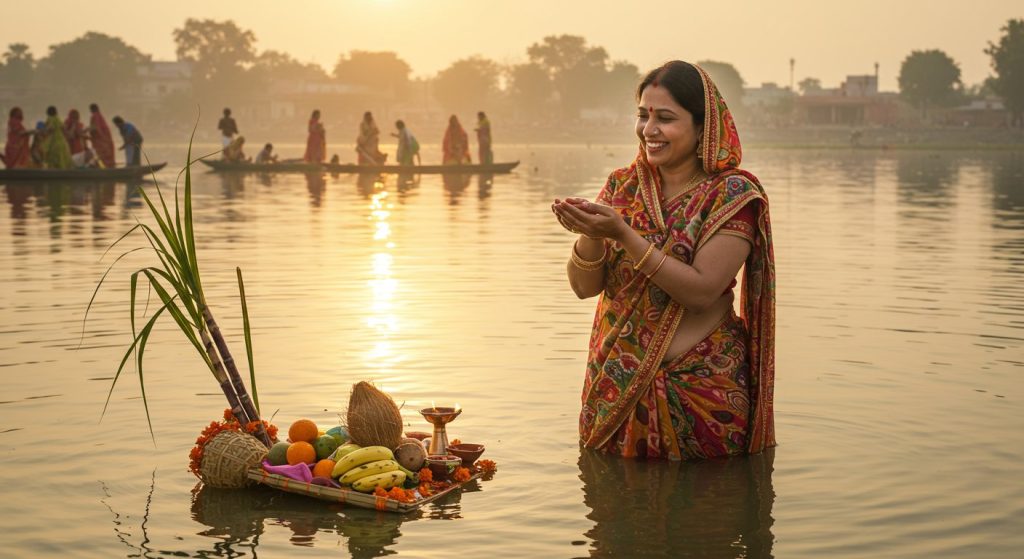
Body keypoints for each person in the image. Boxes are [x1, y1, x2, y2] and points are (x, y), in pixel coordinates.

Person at [551, 61, 776, 461]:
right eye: (643, 115)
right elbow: (583, 288)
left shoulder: (731, 194)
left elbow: (702, 292)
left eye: (665, 118)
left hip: (703, 390)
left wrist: (624, 234)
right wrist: (591, 232)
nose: (649, 129)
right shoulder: (624, 185)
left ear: (703, 127)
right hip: (615, 386)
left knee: (710, 499)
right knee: (610, 496)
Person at [87, 104, 116, 168]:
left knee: (100, 153)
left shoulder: (95, 116)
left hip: (100, 140)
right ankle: (108, 166)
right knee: (105, 153)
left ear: (91, 110)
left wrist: (85, 131)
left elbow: (95, 127)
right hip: (105, 139)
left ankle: (102, 167)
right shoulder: (100, 116)